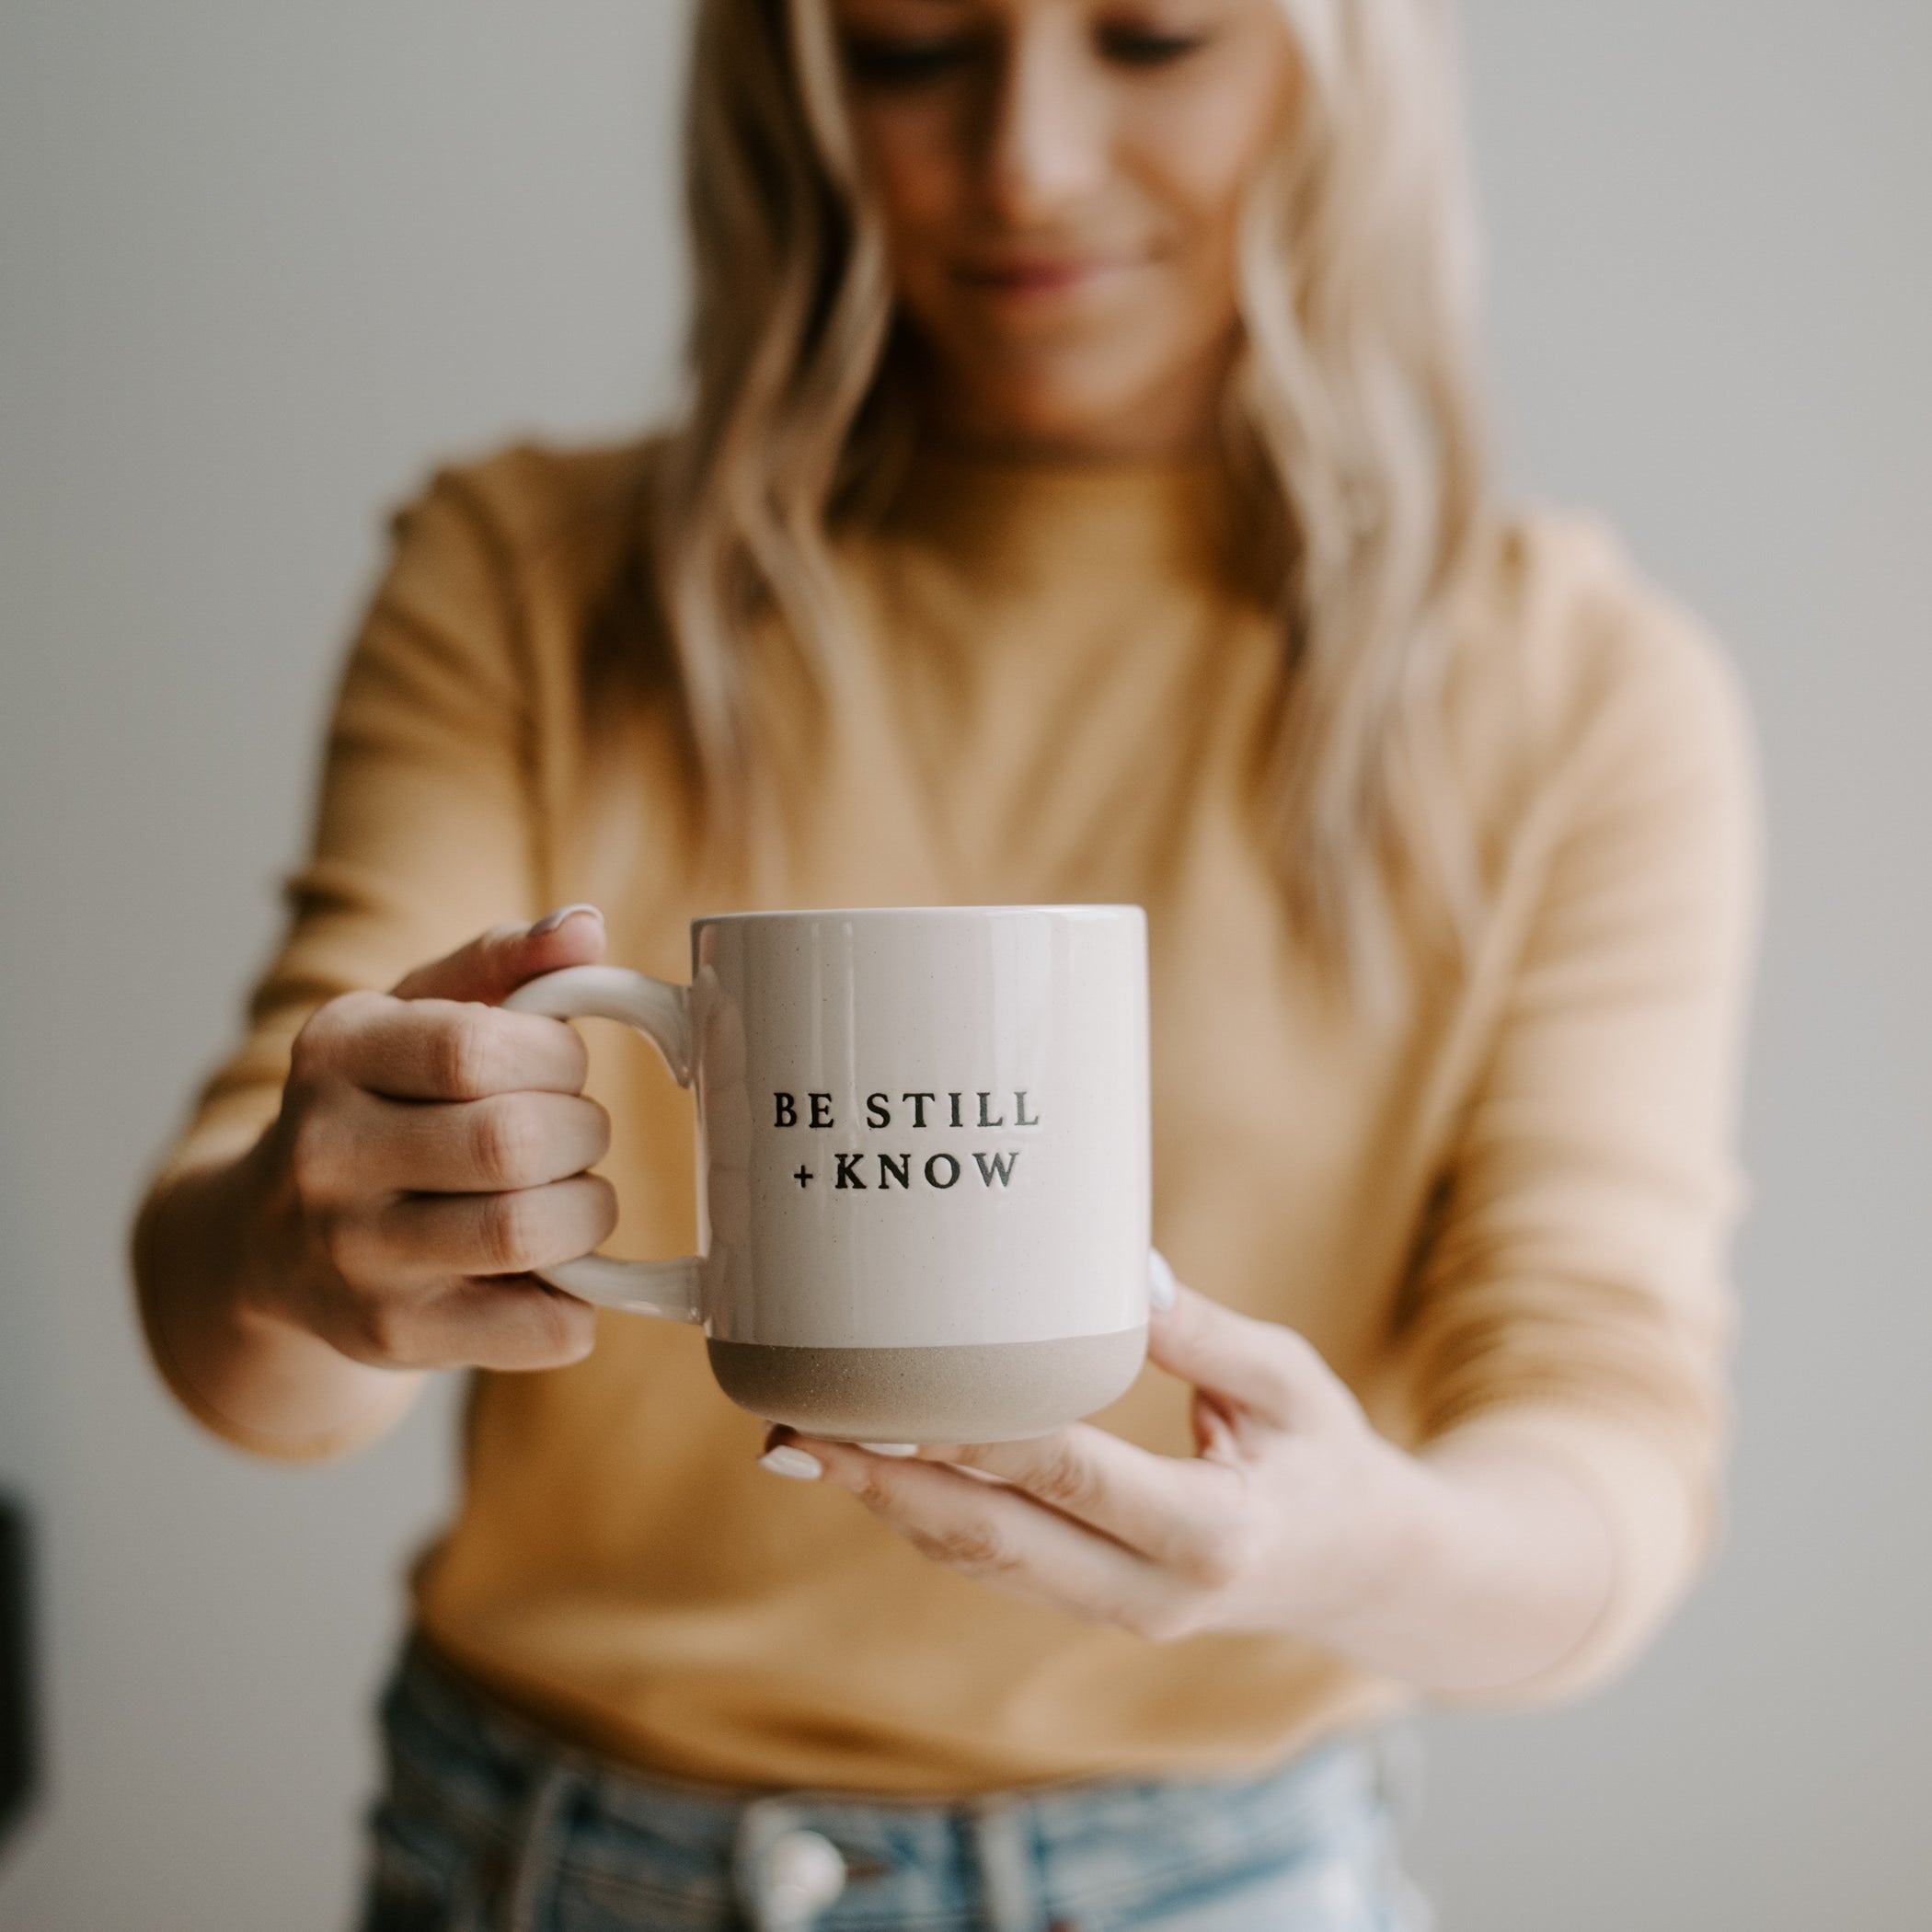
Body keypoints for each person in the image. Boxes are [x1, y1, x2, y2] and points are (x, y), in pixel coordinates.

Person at [132, 1, 1759, 1926]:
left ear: (1346, 74)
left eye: (1154, 39)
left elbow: (1601, 1438)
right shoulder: (527, 583)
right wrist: (305, 1247)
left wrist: (1334, 1548)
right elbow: (240, 1351)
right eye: (911, 48)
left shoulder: (1575, 692)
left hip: (1218, 1878)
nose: (1029, 164)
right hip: (535, 1863)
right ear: (789, 92)